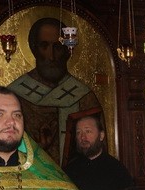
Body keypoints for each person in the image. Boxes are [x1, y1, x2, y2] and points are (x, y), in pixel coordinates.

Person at [10, 17, 102, 164]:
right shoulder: (14, 95)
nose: (51, 56)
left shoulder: (84, 96)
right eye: (44, 46)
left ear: (67, 50)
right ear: (34, 49)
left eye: (58, 47)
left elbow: (97, 153)